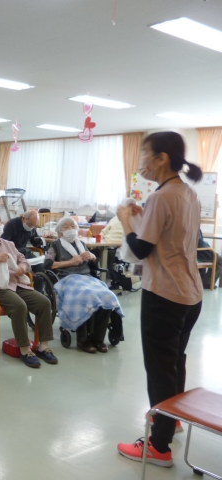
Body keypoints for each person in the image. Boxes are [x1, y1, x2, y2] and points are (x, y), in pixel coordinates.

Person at [116, 132, 204, 467]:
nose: (142, 162)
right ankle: (172, 417)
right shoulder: (188, 193)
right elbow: (169, 238)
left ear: (161, 158)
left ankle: (159, 446)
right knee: (174, 361)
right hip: (190, 293)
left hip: (165, 295)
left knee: (159, 369)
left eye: (145, 154)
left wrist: (125, 219)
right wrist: (142, 217)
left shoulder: (162, 196)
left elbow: (140, 249)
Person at [0, 212, 57, 368]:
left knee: (44, 302)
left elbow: (23, 260)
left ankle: (43, 346)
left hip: (15, 283)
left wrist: (23, 267)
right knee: (19, 305)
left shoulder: (8, 244)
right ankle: (25, 349)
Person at [44, 217, 123, 354]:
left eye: (73, 227)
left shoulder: (81, 244)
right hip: (67, 279)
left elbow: (92, 265)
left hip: (87, 278)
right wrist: (70, 262)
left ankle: (98, 339)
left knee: (107, 295)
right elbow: (47, 265)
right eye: (66, 227)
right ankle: (83, 339)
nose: (70, 230)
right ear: (60, 232)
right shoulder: (55, 245)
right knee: (86, 296)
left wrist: (92, 257)